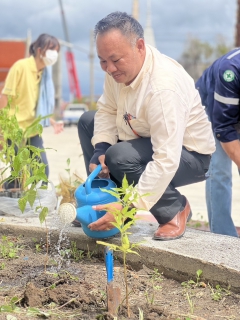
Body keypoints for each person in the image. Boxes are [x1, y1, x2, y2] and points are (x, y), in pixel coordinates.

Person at [78, 12, 215, 240]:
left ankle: (174, 209)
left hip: (189, 156)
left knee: (119, 156)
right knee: (87, 122)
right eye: (103, 61)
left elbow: (166, 158)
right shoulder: (117, 71)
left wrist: (129, 207)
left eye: (115, 60)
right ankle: (104, 204)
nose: (109, 68)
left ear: (139, 46)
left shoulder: (163, 88)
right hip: (145, 141)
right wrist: (99, 149)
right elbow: (108, 110)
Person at [0, 33, 63, 187]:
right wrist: (2, 130)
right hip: (14, 129)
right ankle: (8, 195)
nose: (55, 55)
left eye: (57, 51)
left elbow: (36, 105)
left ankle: (22, 200)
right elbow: (4, 97)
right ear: (40, 50)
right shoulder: (20, 67)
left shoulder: (44, 75)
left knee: (42, 171)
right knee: (21, 174)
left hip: (32, 129)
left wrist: (52, 121)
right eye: (52, 50)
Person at [196, 49, 240, 237]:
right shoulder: (229, 70)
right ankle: (223, 237)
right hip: (212, 107)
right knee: (219, 169)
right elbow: (224, 127)